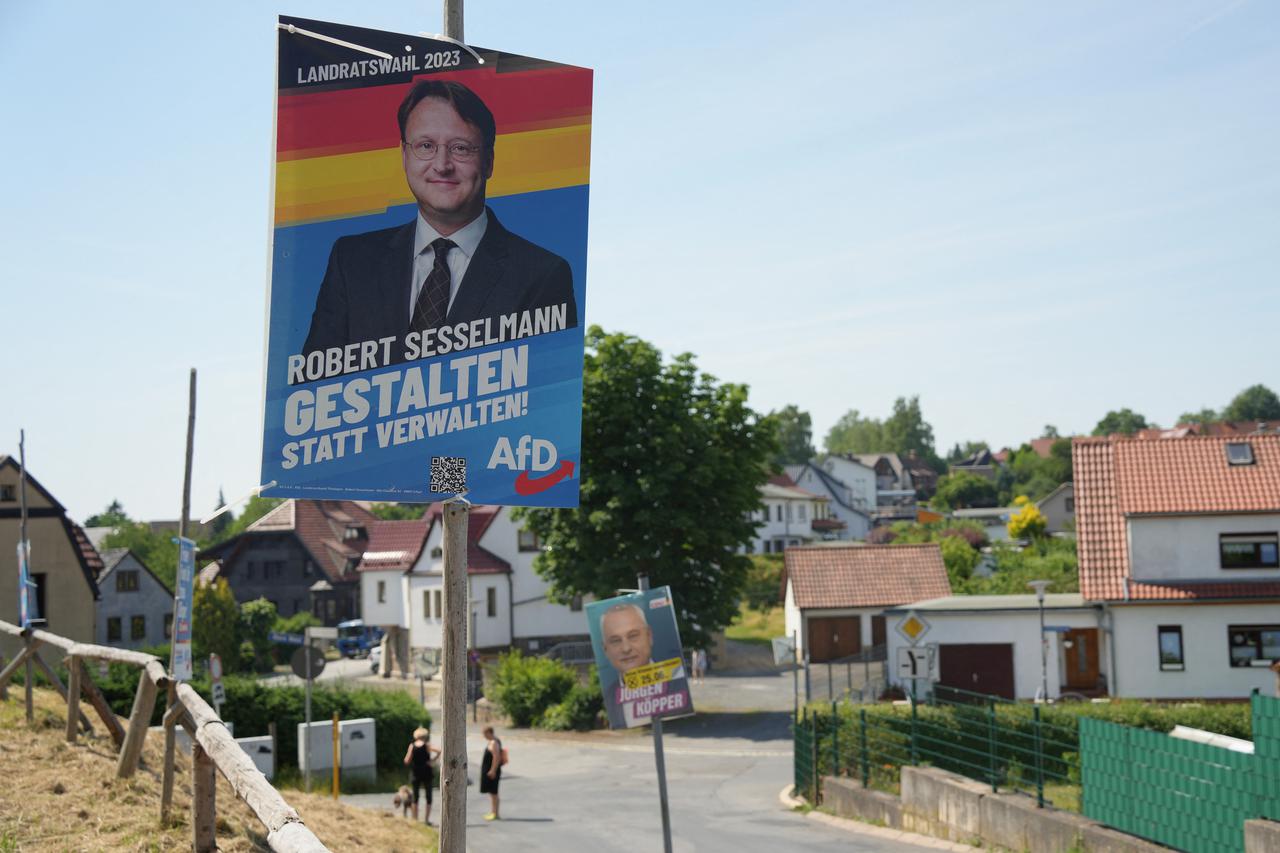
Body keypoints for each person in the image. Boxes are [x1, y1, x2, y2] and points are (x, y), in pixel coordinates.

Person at [302, 79, 579, 368]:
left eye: (461, 148)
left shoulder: (542, 275)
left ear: (489, 161)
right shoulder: (352, 261)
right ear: (404, 155)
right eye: (426, 145)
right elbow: (315, 387)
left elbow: (542, 397)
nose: (442, 164)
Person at [599, 602, 691, 729]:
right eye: (615, 640)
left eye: (633, 636)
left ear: (649, 636)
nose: (626, 648)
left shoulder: (677, 683)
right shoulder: (608, 697)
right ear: (605, 649)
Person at [402, 726, 440, 824]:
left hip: (416, 773)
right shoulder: (427, 745)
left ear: (416, 735)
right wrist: (432, 761)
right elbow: (439, 751)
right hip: (427, 772)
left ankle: (415, 819)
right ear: (425, 735)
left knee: (415, 796)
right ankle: (426, 820)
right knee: (428, 796)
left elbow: (406, 761)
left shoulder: (412, 746)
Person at [479, 725, 503, 820]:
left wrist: (493, 770)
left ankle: (495, 814)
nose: (484, 736)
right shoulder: (492, 742)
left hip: (493, 771)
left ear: (489, 732)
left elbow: (496, 757)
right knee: (492, 793)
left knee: (494, 792)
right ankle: (493, 812)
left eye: (485, 734)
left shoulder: (494, 743)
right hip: (490, 770)